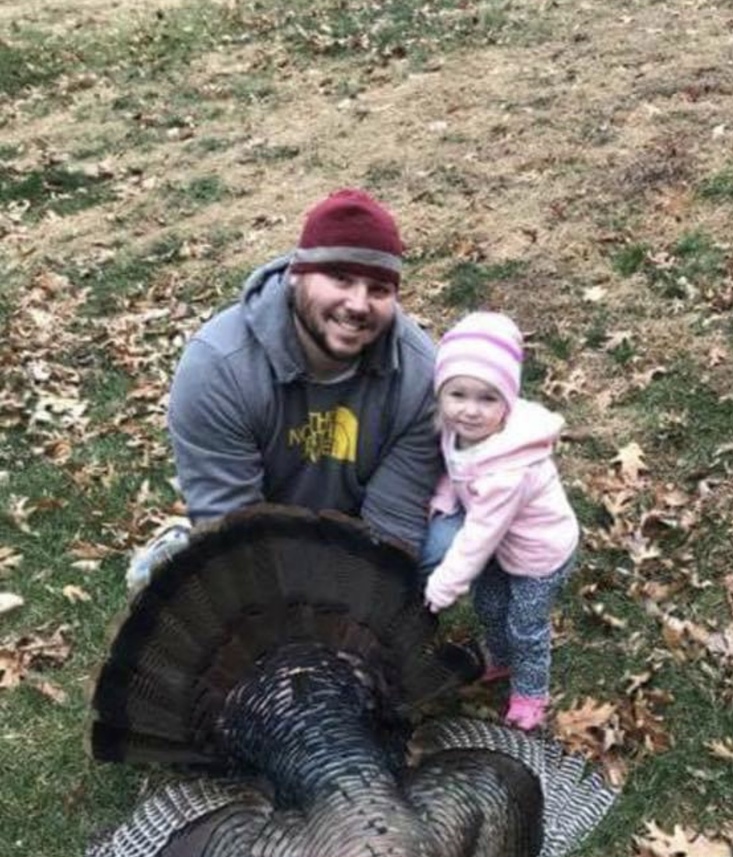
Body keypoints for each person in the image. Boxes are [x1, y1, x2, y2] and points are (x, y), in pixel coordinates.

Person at [127, 188, 440, 594]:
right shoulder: (218, 366)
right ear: (298, 273)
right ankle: (183, 551)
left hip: (360, 531)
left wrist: (352, 613)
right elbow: (237, 524)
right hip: (255, 530)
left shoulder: (421, 375)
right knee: (205, 583)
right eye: (340, 278)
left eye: (379, 289)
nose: (359, 304)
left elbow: (393, 525)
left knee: (448, 543)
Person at [423, 312, 580, 731]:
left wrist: (444, 584)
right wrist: (442, 498)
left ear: (507, 403)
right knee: (490, 605)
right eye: (457, 394)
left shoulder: (508, 471)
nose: (470, 411)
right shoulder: (455, 431)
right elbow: (453, 471)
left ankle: (531, 691)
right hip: (502, 547)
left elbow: (479, 534)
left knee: (525, 625)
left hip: (537, 555)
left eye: (487, 399)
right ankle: (501, 658)